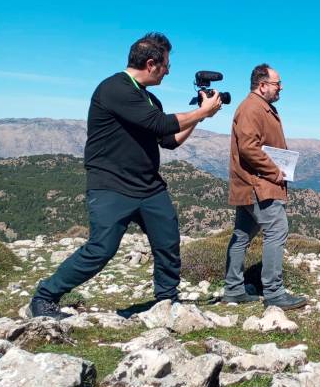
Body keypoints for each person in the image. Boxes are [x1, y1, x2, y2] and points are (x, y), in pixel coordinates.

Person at [30, 32, 223, 319]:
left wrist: (200, 114)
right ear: (151, 63)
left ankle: (166, 302)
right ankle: (45, 297)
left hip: (148, 186)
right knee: (101, 249)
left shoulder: (149, 98)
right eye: (166, 64)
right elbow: (159, 123)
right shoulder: (114, 88)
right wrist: (202, 113)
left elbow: (168, 139)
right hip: (111, 185)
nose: (169, 70)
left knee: (167, 242)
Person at [223, 63, 307, 310]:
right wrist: (275, 171)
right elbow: (249, 148)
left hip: (251, 184)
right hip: (258, 184)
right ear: (262, 85)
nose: (281, 88)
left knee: (242, 235)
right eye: (277, 83)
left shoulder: (260, 107)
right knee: (277, 229)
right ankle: (274, 292)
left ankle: (234, 289)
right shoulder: (251, 108)